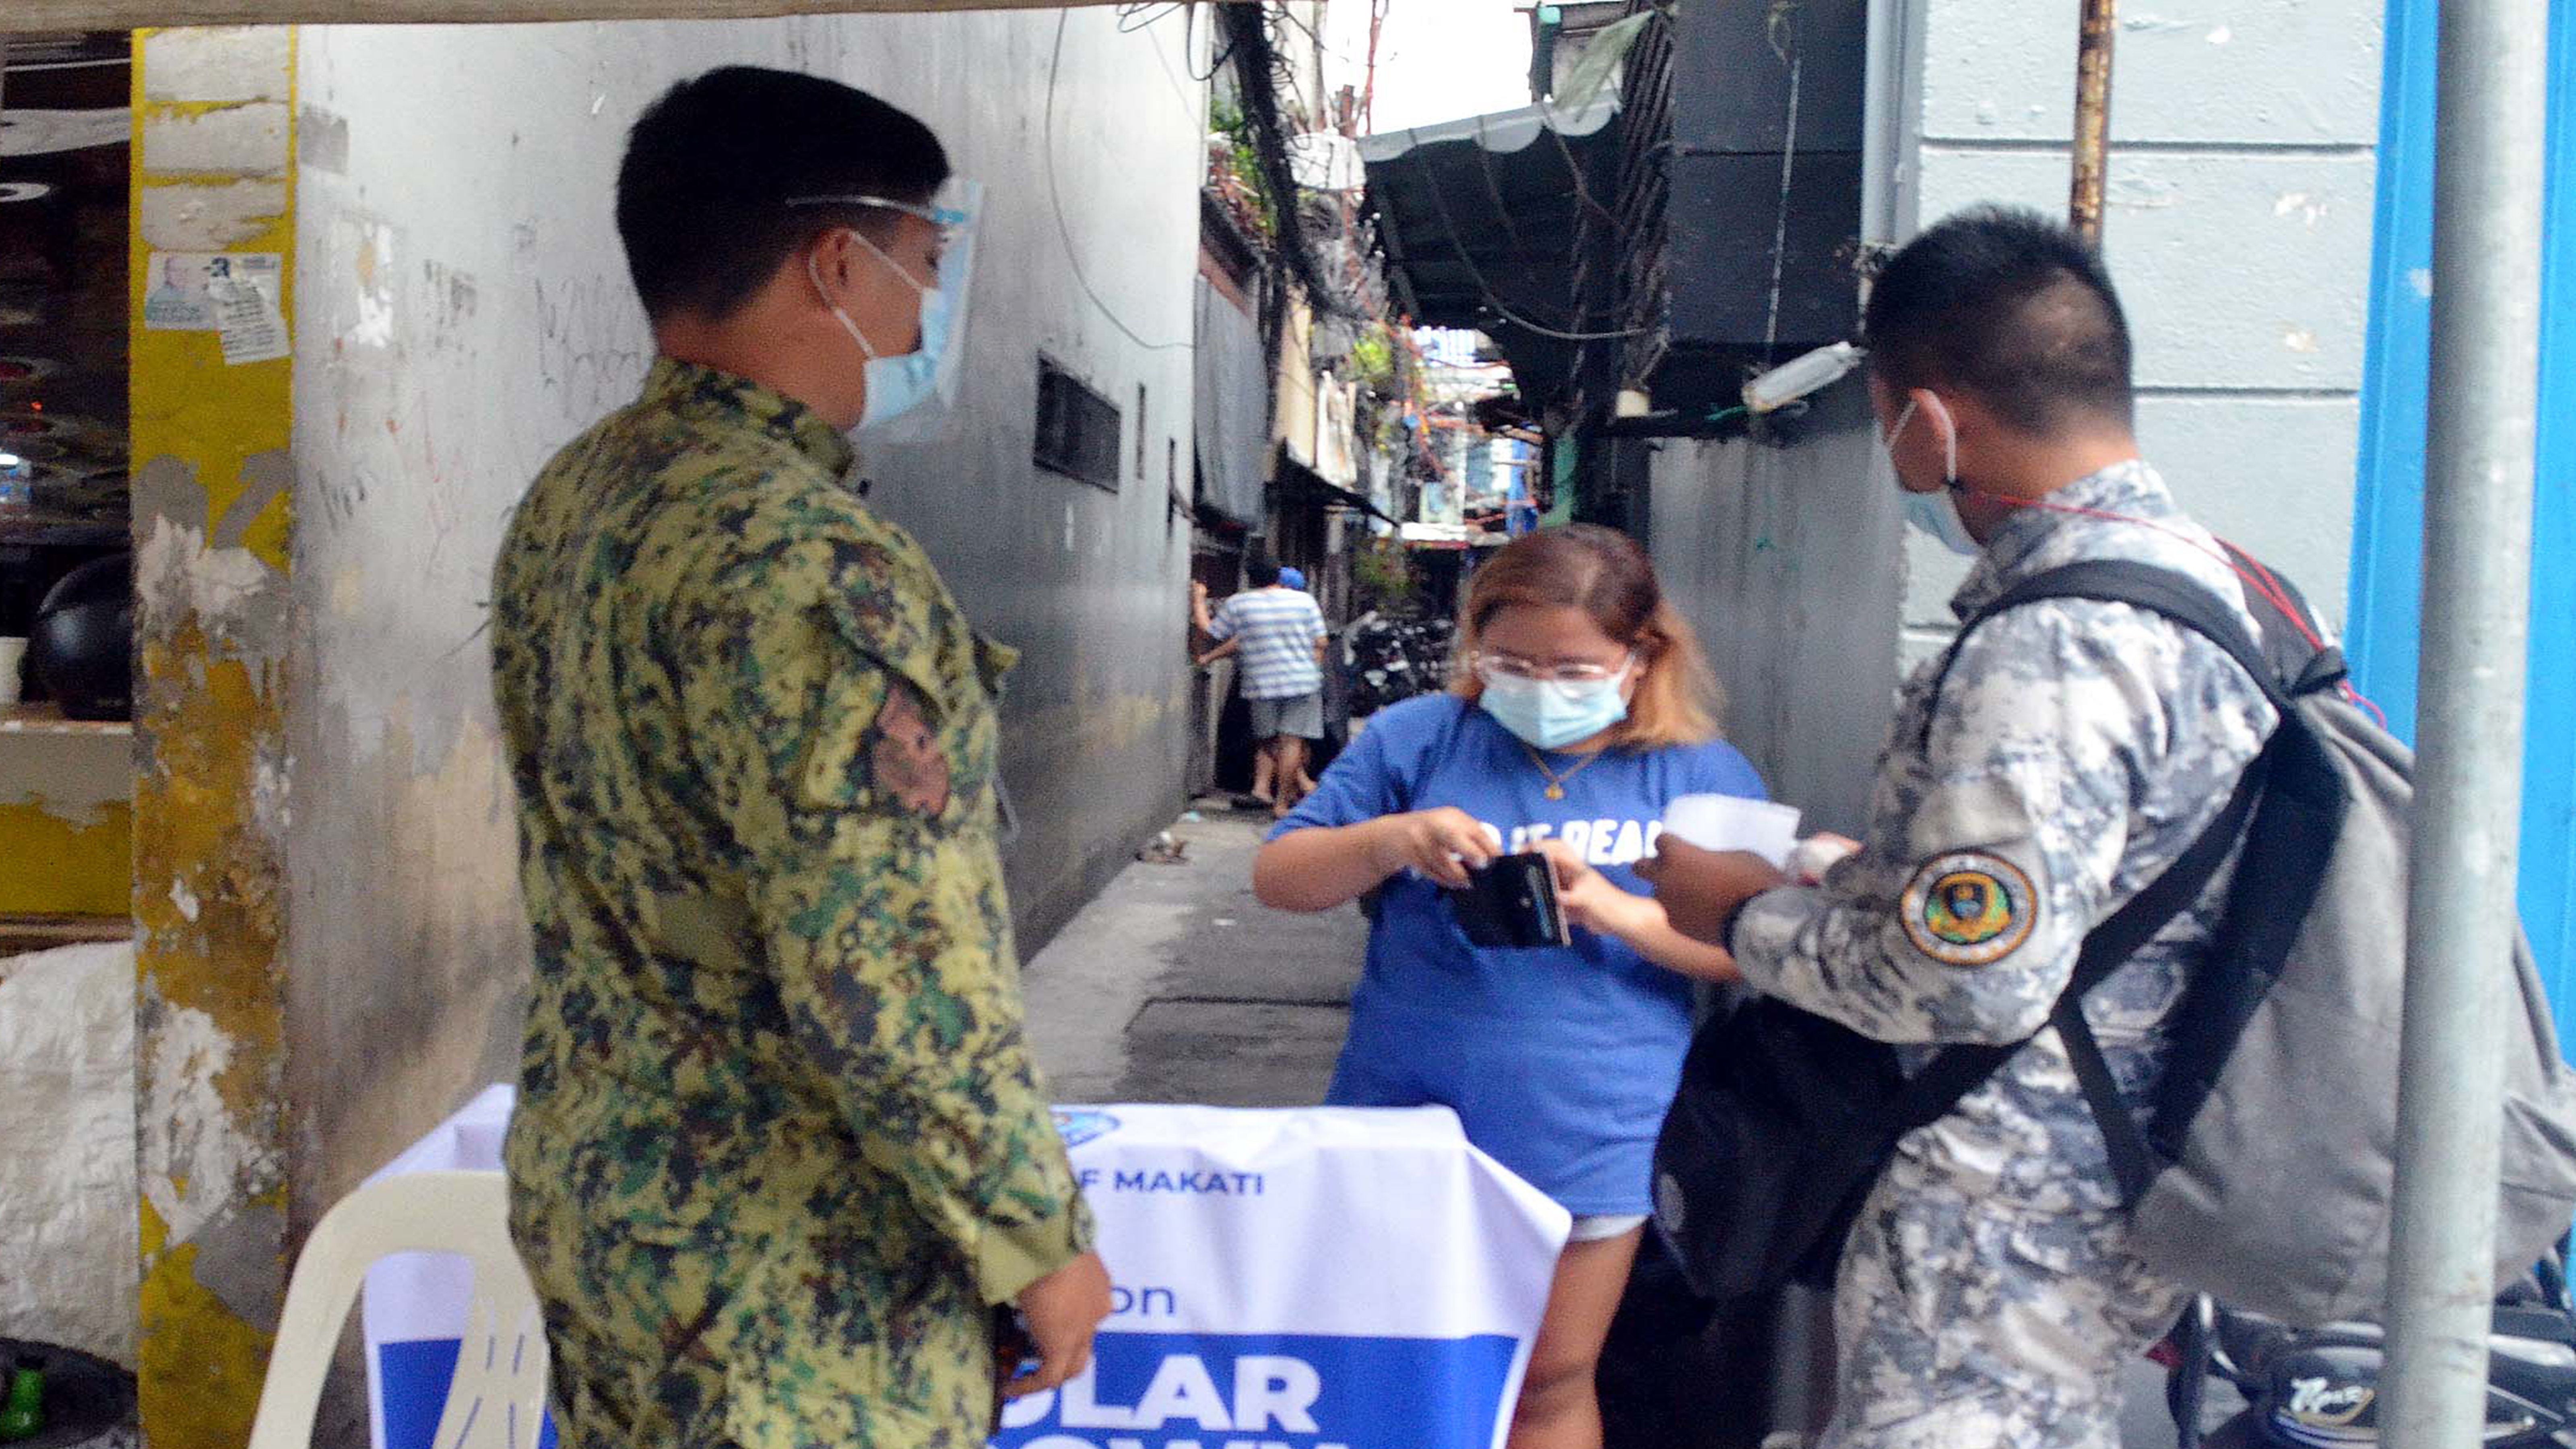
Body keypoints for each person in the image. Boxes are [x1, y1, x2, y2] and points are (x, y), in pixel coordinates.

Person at [488, 67, 1107, 1449]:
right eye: (924, 270)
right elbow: (884, 964)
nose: (924, 314)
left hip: (609, 1204)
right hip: (792, 1264)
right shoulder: (815, 563)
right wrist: (1031, 1238)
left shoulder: (579, 498)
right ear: (839, 261)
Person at [1640, 206, 2278, 1448]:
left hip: (2002, 1216)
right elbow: (2091, 886)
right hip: (2104, 1178)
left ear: (1928, 421)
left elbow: (1968, 984)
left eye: (1887, 425)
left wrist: (1741, 914)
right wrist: (1847, 873)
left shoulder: (2050, 640)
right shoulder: (2218, 584)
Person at [1253, 525, 1765, 1449]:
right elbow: (1280, 877)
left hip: (1593, 1124)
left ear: (1640, 656)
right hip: (1407, 1115)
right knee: (1388, 1362)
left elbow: (1752, 948)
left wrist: (1615, 909)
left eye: (1572, 668)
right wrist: (1391, 840)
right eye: (1510, 661)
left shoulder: (1698, 770)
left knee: (1547, 1379)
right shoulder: (1419, 739)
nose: (1537, 687)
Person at [1191, 556, 1329, 818]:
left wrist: (1198, 599)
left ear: (1250, 580)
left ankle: (1283, 790)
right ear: (1278, 575)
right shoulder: (1304, 601)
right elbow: (1320, 641)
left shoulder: (1239, 603)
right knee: (1292, 742)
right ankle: (1282, 804)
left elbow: (1210, 631)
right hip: (1302, 682)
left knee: (1270, 742)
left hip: (1262, 684)